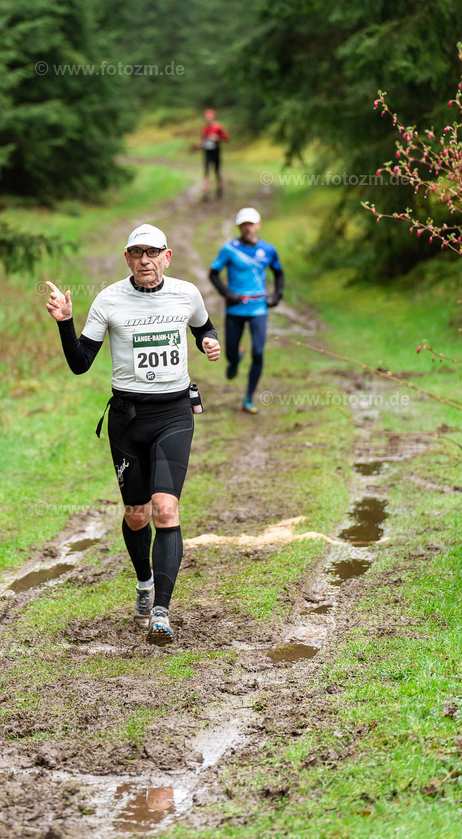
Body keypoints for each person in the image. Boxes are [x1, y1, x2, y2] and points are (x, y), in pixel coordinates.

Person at [45, 224, 220, 645]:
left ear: (167, 256)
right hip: (128, 418)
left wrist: (209, 342)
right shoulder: (108, 299)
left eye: (152, 253)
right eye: (137, 253)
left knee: (165, 510)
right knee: (137, 514)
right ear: (127, 259)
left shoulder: (186, 293)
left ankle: (161, 611)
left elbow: (203, 327)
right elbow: (80, 363)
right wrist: (66, 323)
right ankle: (144, 584)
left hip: (174, 413)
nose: (145, 260)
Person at [208, 207, 284, 414]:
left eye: (251, 224)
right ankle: (235, 359)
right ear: (239, 227)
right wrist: (227, 294)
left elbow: (278, 273)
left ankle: (249, 398)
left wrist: (277, 295)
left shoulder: (268, 250)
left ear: (258, 225)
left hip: (259, 309)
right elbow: (213, 274)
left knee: (258, 353)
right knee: (230, 352)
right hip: (235, 309)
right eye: (244, 225)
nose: (248, 228)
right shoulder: (229, 249)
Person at [200, 109, 229, 200]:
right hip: (207, 151)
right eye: (207, 118)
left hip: (216, 151)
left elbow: (226, 138)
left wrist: (217, 138)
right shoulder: (204, 128)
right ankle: (206, 191)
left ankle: (219, 189)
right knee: (206, 171)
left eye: (210, 118)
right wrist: (201, 143)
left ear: (213, 118)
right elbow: (202, 139)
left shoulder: (218, 127)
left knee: (217, 171)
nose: (208, 119)